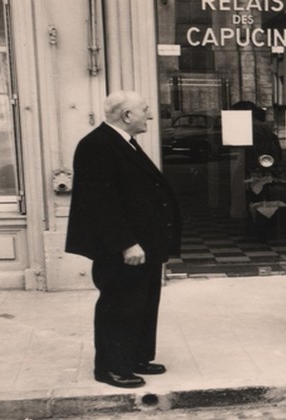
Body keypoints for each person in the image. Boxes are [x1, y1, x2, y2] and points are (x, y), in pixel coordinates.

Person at [65, 90, 181, 388]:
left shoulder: (121, 142)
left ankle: (136, 358)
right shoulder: (97, 145)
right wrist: (125, 243)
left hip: (144, 244)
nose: (150, 115)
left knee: (141, 301)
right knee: (119, 304)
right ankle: (111, 367)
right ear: (127, 115)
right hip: (122, 247)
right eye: (145, 110)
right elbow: (100, 203)